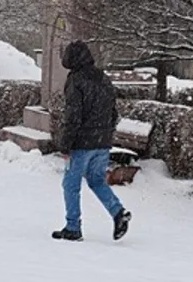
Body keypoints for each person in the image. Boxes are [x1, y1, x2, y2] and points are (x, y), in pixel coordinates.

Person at [52, 41, 132, 242]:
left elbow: (73, 115)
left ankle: (73, 227)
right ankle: (118, 212)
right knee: (96, 180)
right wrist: (105, 134)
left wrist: (65, 144)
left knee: (71, 184)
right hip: (102, 142)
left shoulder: (75, 80)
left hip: (82, 143)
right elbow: (113, 111)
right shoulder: (102, 78)